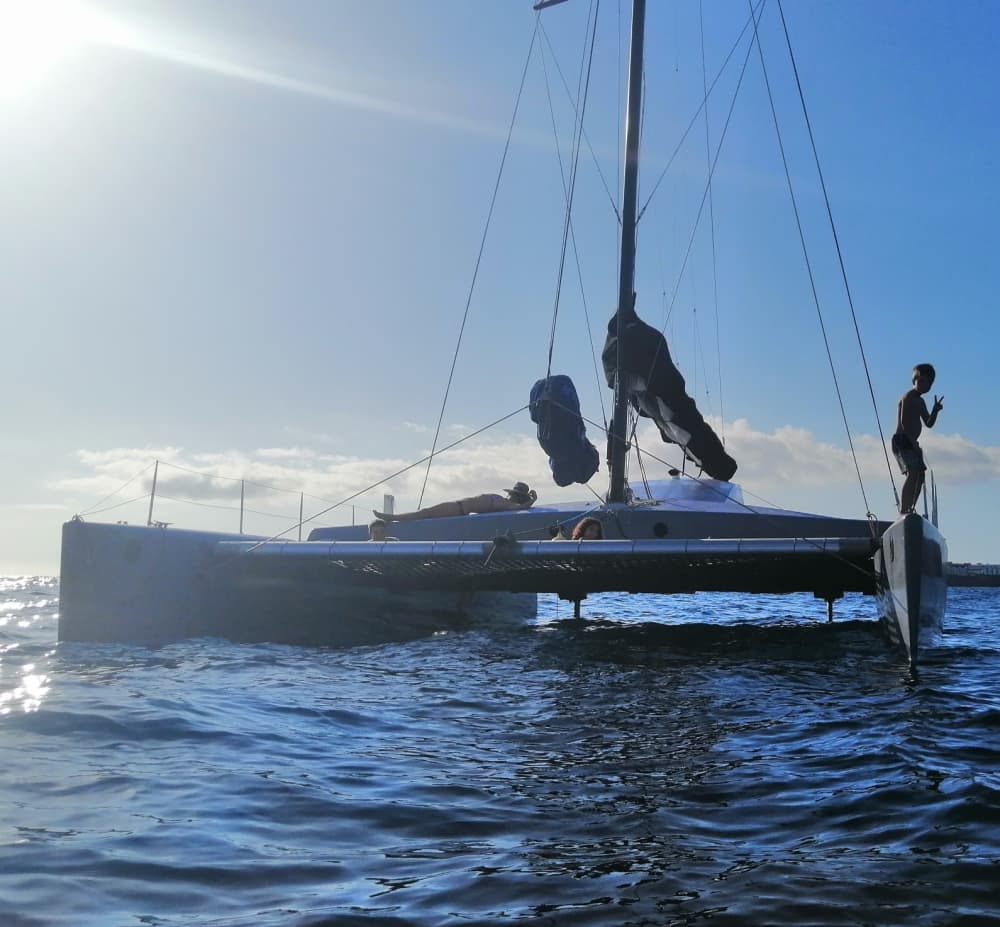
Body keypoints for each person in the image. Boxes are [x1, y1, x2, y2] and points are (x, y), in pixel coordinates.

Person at [892, 363, 944, 515]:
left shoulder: (921, 402)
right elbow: (904, 422)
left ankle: (910, 508)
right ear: (914, 381)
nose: (923, 385)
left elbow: (928, 423)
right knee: (913, 473)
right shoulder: (908, 397)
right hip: (903, 440)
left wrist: (935, 411)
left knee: (920, 476)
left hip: (911, 442)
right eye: (920, 381)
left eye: (927, 383)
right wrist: (912, 442)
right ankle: (904, 509)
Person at [374, 482, 538, 523]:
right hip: (458, 505)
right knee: (425, 512)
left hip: (459, 508)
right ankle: (392, 517)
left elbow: (522, 507)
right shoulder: (503, 500)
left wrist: (532, 500)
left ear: (516, 497)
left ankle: (392, 517)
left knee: (424, 513)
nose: (511, 496)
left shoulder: (508, 506)